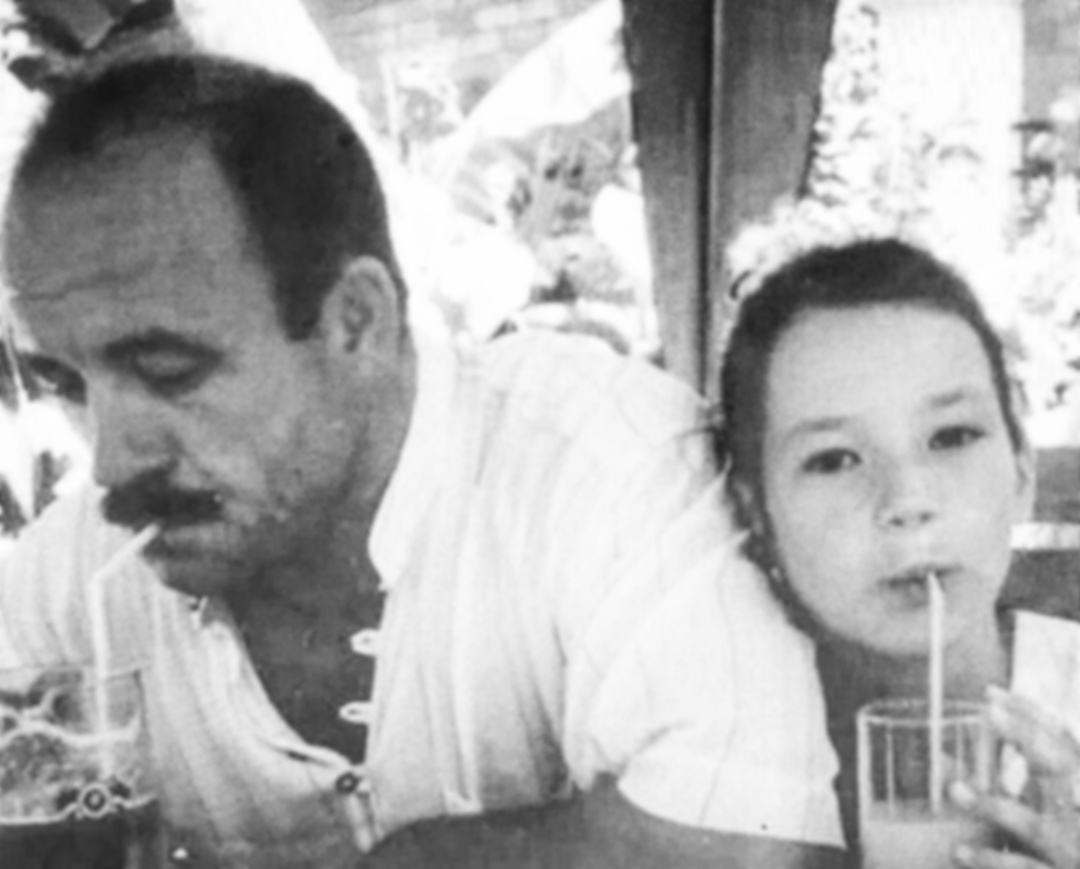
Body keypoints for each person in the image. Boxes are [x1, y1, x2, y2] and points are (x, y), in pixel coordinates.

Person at [0, 54, 843, 868]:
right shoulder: (67, 590)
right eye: (65, 384)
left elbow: (744, 841)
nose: (109, 460)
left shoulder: (595, 461)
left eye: (168, 371)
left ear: (356, 322)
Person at [716, 237, 1080, 869]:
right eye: (835, 459)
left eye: (952, 436)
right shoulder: (703, 751)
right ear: (757, 512)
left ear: (1021, 467)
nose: (908, 501)